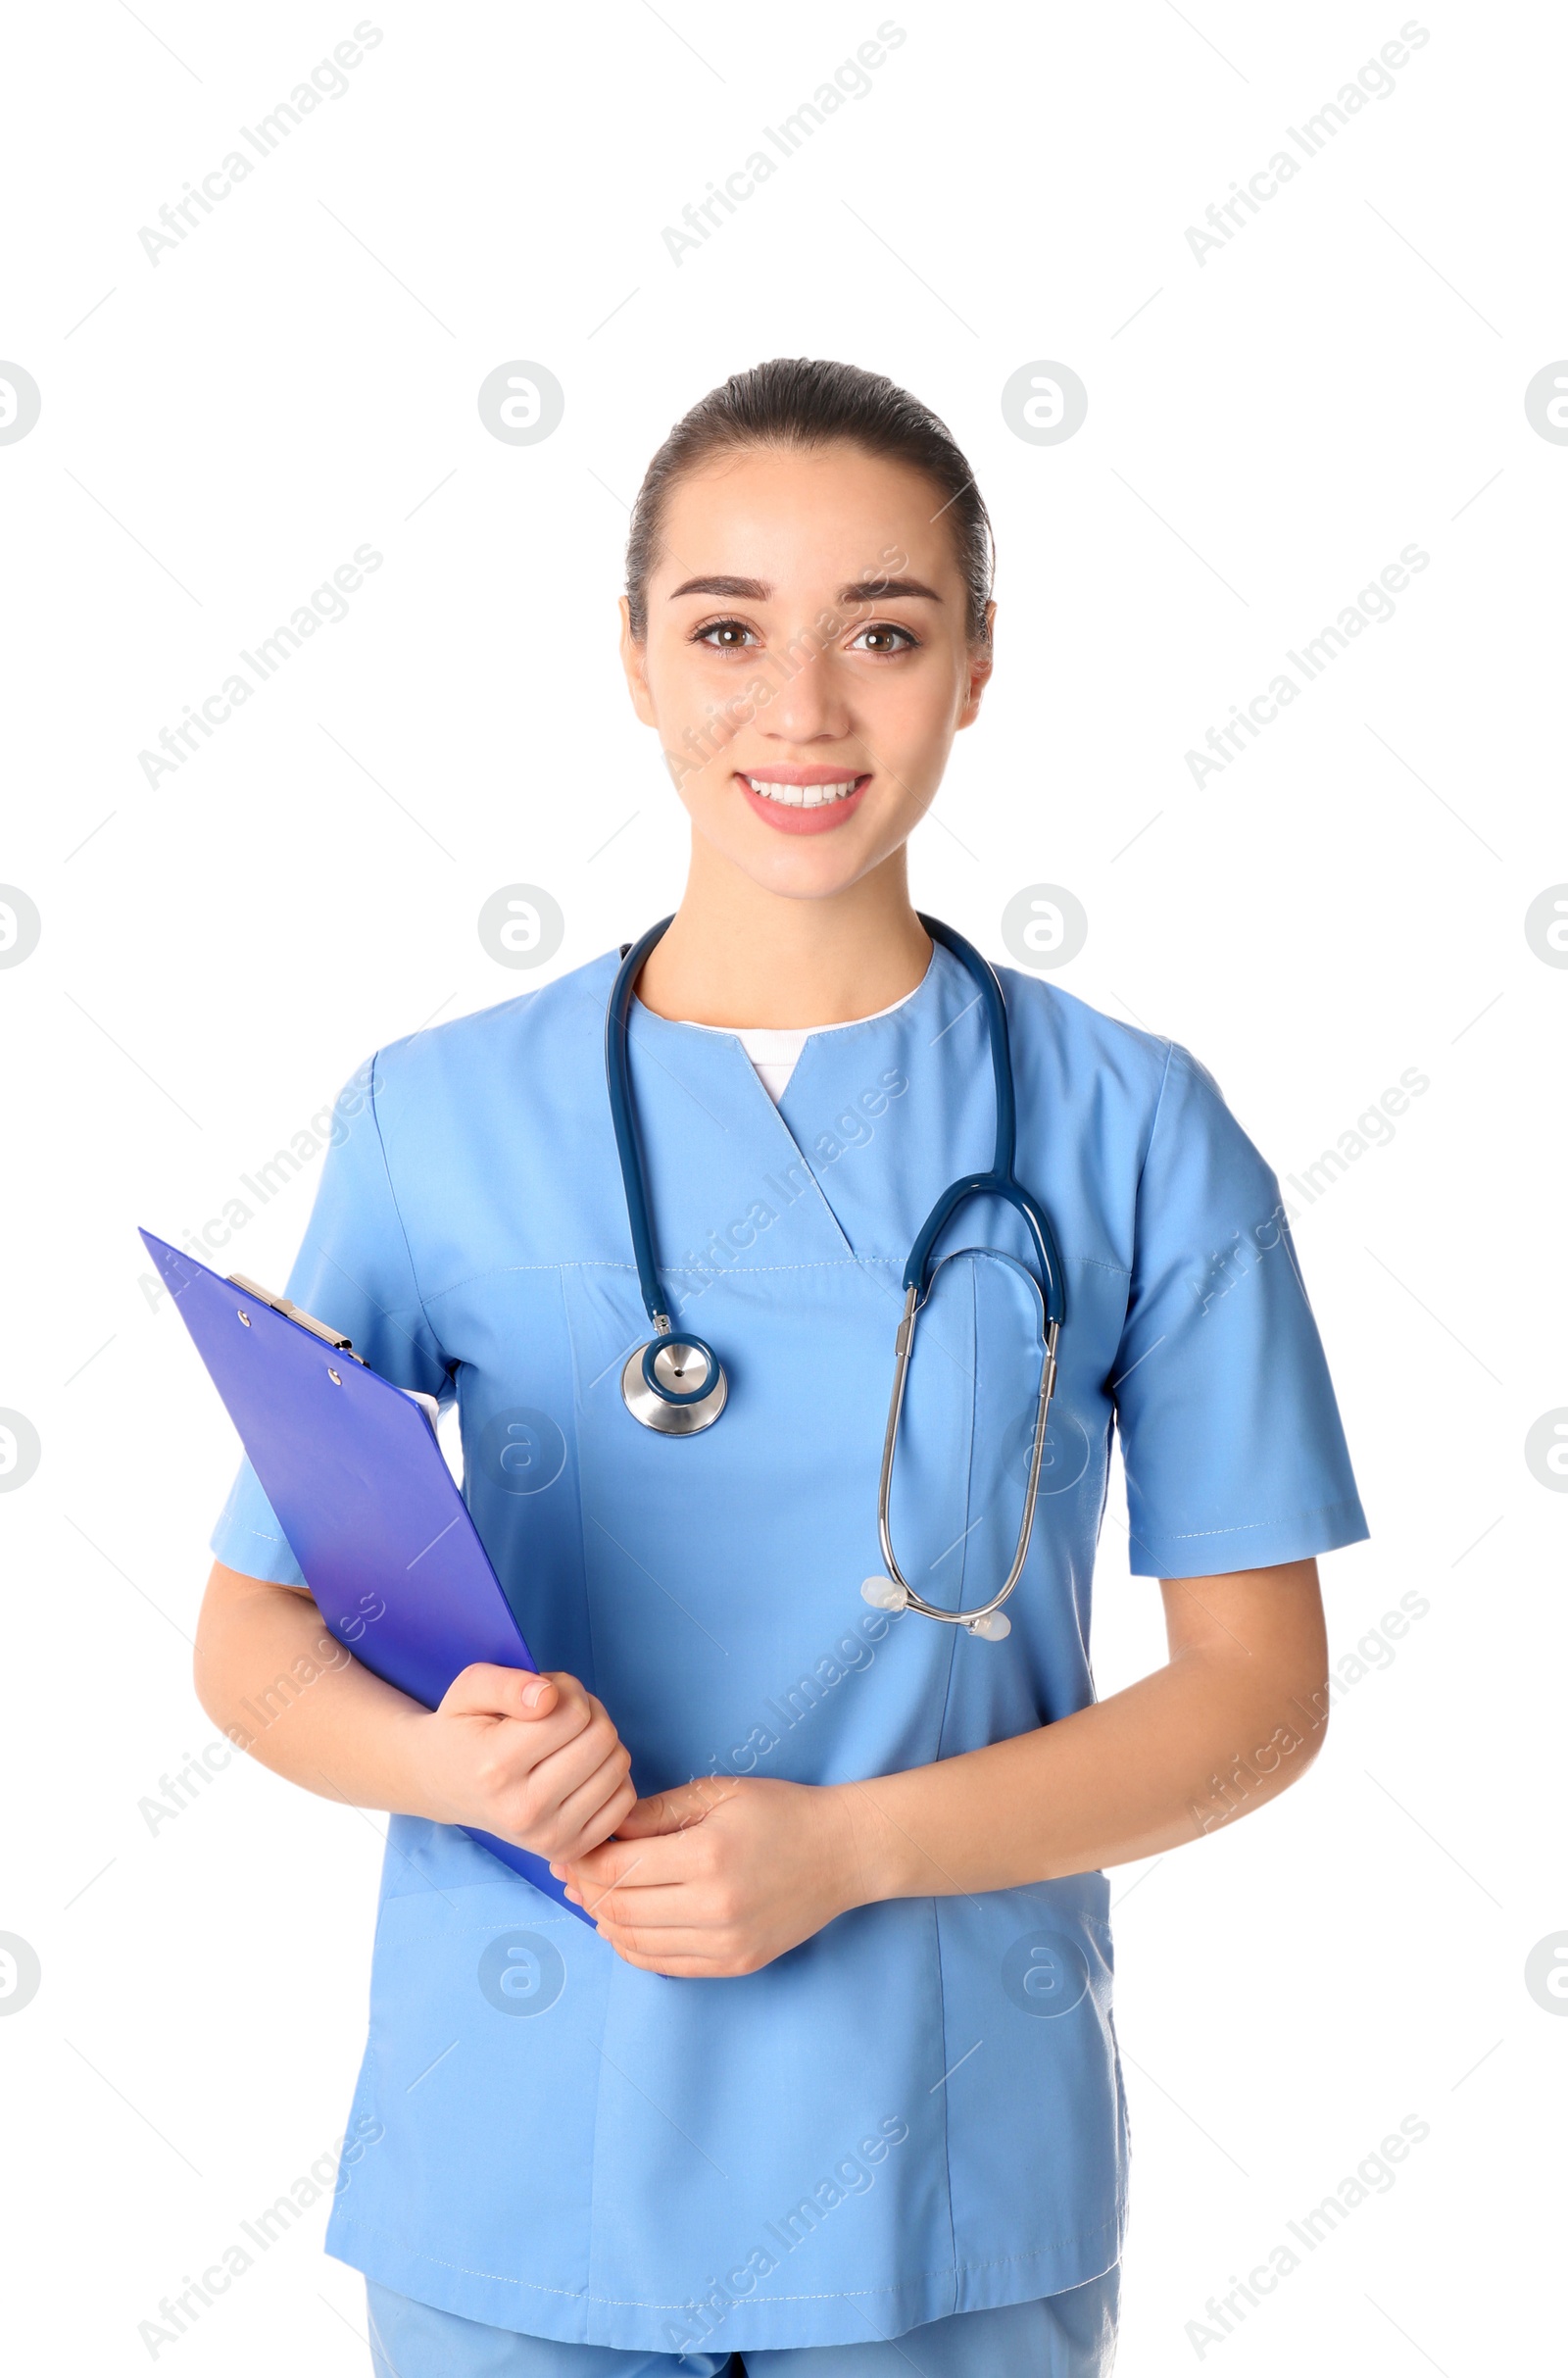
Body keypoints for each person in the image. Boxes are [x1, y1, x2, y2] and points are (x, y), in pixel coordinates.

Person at [193, 358, 1367, 2376]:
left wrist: (848, 1845)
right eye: (725, 628)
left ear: (976, 666)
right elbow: (253, 1637)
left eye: (882, 633)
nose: (799, 708)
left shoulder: (1134, 1127)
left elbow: (1259, 1699)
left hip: (941, 2171)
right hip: (517, 2165)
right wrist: (431, 1759)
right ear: (635, 660)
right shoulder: (432, 1117)